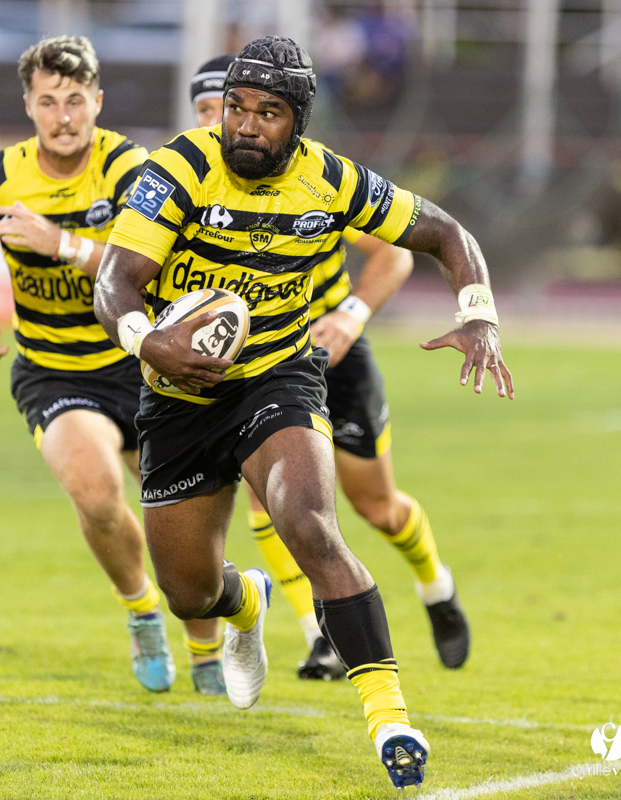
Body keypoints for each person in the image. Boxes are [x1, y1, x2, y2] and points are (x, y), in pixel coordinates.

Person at [95, 36, 513, 788]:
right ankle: (248, 599)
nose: (246, 125)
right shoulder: (181, 168)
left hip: (276, 381)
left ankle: (390, 721)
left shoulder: (333, 180)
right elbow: (115, 280)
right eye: (236, 108)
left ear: (300, 121)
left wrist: (478, 313)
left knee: (312, 524)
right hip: (179, 394)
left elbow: (447, 233)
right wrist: (147, 341)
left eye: (268, 112)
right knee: (187, 591)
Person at [0, 36, 226, 695]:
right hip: (55, 372)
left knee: (179, 512)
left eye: (75, 101)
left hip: (141, 357)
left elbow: (162, 260)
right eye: (48, 102)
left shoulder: (132, 168)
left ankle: (206, 640)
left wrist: (60, 243)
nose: (63, 116)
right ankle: (141, 610)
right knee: (96, 493)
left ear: (97, 101)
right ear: (29, 107)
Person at [190, 55, 471, 681]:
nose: (234, 125)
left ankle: (435, 585)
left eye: (253, 111)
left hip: (329, 354)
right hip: (254, 369)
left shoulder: (312, 178)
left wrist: (348, 314)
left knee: (378, 506)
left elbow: (396, 256)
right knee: (268, 500)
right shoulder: (185, 178)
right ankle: (319, 634)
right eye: (217, 110)